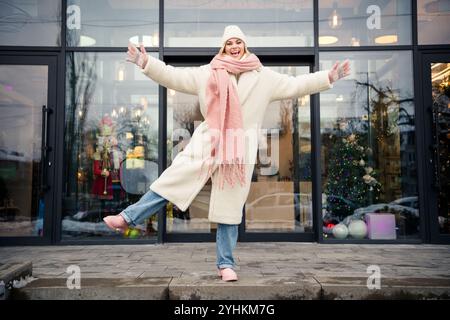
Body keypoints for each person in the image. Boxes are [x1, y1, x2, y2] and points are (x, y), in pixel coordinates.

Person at [104, 25, 350, 281]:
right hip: (208, 141)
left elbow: (296, 84)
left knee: (229, 208)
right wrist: (146, 62)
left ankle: (226, 265)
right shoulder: (208, 73)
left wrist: (328, 78)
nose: (234, 46)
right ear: (223, 46)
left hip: (238, 149)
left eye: (238, 42)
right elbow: (172, 76)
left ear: (245, 45)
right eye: (229, 42)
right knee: (170, 181)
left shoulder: (263, 77)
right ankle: (126, 218)